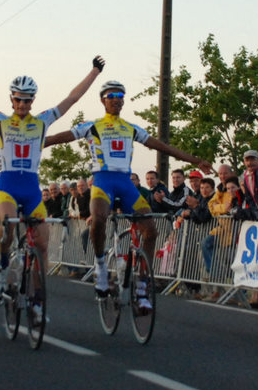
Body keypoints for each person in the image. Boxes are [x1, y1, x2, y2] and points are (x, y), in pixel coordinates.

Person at [0, 53, 105, 315]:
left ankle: (36, 297)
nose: (22, 104)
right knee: (8, 227)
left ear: (32, 101)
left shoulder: (42, 122)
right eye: (17, 99)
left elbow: (72, 99)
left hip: (32, 189)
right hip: (8, 187)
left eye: (26, 100)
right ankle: (3, 265)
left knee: (43, 245)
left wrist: (94, 71)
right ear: (11, 99)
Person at [45, 79, 212, 303]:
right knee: (98, 219)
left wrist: (195, 160)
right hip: (103, 182)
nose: (117, 101)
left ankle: (143, 283)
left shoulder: (130, 128)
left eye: (120, 97)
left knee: (151, 231)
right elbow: (57, 139)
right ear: (103, 100)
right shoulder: (91, 126)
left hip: (125, 183)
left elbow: (163, 146)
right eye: (112, 97)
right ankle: (101, 267)